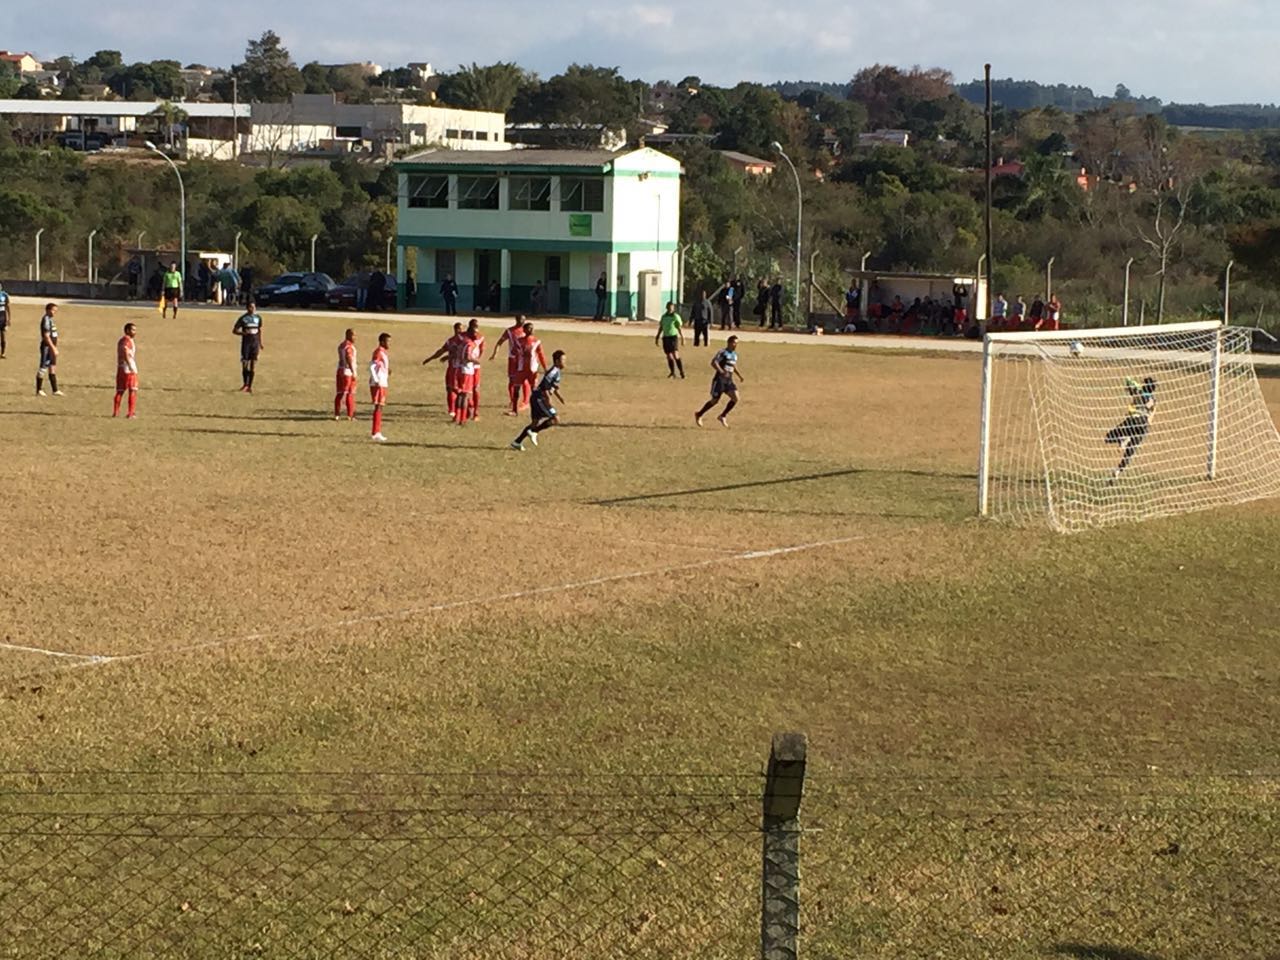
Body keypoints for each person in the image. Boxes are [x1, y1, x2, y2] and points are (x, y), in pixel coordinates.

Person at [510, 349, 566, 451]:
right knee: (555, 419)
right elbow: (545, 387)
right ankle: (534, 432)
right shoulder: (553, 372)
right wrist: (549, 401)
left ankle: (517, 442)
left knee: (534, 422)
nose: (564, 363)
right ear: (557, 361)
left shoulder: (557, 372)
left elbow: (553, 387)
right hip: (540, 397)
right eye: (563, 360)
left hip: (536, 397)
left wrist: (560, 397)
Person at [1105, 376, 1157, 479]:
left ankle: (1124, 438)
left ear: (1145, 385)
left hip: (1134, 420)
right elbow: (1152, 411)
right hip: (1144, 425)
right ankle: (1118, 471)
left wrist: (1129, 386)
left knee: (1109, 437)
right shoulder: (1153, 399)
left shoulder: (1139, 392)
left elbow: (1129, 383)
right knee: (1130, 451)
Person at [694, 335, 744, 427]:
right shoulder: (723, 352)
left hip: (729, 380)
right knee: (715, 401)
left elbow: (733, 365)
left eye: (737, 343)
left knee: (736, 398)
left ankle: (722, 416)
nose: (735, 345)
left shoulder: (734, 355)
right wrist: (721, 371)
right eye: (734, 343)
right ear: (729, 343)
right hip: (719, 380)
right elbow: (714, 362)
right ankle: (699, 414)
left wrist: (739, 375)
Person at [422, 321, 465, 413]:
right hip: (452, 367)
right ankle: (452, 409)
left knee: (455, 389)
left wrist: (448, 357)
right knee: (449, 388)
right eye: (458, 329)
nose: (460, 331)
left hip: (459, 367)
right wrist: (430, 358)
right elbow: (441, 351)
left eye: (461, 329)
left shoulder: (464, 341)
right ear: (455, 329)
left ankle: (460, 409)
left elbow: (461, 353)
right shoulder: (451, 341)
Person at [491, 314, 528, 414]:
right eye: (521, 320)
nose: (523, 322)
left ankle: (525, 401)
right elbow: (500, 342)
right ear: (516, 320)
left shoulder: (526, 330)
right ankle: (512, 400)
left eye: (524, 320)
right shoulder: (510, 331)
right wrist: (495, 353)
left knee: (524, 380)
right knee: (512, 380)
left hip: (522, 359)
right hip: (513, 358)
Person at [232, 301, 264, 393]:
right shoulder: (243, 318)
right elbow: (234, 330)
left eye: (254, 307)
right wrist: (243, 333)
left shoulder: (258, 318)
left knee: (253, 364)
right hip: (246, 343)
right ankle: (245, 384)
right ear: (247, 308)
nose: (253, 309)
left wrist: (260, 343)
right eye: (251, 307)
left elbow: (259, 330)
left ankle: (249, 386)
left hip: (255, 343)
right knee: (245, 364)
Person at [518, 321, 549, 406]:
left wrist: (545, 367)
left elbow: (541, 355)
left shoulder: (536, 341)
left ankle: (537, 403)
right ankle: (524, 402)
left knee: (534, 387)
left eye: (532, 328)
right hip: (522, 367)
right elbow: (516, 354)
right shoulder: (519, 341)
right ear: (524, 330)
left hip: (533, 368)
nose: (531, 330)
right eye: (529, 328)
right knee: (521, 384)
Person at [36, 303, 62, 397]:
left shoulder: (50, 320)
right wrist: (53, 348)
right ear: (47, 310)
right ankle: (39, 389)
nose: (54, 312)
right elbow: (46, 336)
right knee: (43, 367)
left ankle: (55, 390)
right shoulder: (46, 320)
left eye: (55, 311)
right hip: (47, 347)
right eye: (53, 310)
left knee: (52, 367)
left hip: (52, 347)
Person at [113, 322, 138, 419]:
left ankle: (116, 412)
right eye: (133, 330)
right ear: (127, 330)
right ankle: (131, 413)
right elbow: (125, 352)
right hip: (128, 368)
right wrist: (130, 365)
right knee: (132, 390)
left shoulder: (121, 340)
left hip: (120, 368)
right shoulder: (127, 341)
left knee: (120, 391)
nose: (135, 332)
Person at [369, 332, 391, 442]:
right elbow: (372, 366)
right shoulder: (378, 352)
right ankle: (376, 432)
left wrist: (387, 371)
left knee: (380, 406)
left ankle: (377, 431)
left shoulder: (383, 353)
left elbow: (380, 366)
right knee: (378, 406)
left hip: (383, 382)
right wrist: (376, 379)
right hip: (379, 383)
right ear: (382, 342)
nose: (389, 344)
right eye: (387, 342)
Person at [656, 301, 685, 378]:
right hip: (666, 337)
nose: (670, 308)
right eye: (669, 307)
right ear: (666, 307)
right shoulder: (664, 317)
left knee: (675, 354)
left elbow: (679, 327)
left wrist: (682, 337)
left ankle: (682, 372)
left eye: (672, 307)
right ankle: (672, 372)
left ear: (673, 308)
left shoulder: (675, 316)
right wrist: (657, 337)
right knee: (669, 356)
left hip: (673, 337)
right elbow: (661, 327)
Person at [334, 328, 358, 421]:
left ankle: (337, 414)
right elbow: (349, 358)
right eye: (353, 335)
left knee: (339, 393)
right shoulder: (349, 347)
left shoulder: (341, 345)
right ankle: (350, 415)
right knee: (350, 393)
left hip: (340, 370)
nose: (355, 337)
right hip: (348, 372)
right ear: (348, 335)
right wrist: (353, 371)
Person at [464, 317, 485, 421]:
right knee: (465, 389)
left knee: (475, 388)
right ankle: (469, 408)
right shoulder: (464, 337)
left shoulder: (480, 337)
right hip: (466, 365)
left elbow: (482, 349)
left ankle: (476, 412)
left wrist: (477, 359)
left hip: (475, 366)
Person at [0, 281, 9, 359]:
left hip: (2, 319)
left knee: (3, 337)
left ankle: (3, 353)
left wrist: (8, 319)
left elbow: (7, 307)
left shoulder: (4, 295)